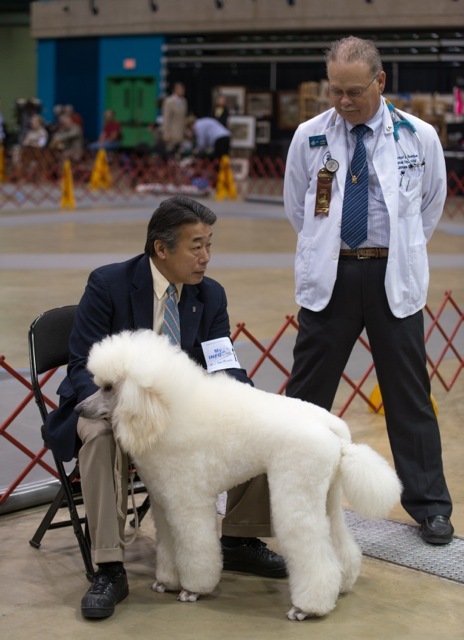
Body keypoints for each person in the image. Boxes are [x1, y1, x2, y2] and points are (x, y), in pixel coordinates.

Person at [44, 196, 285, 620]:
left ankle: (239, 539)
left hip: (180, 415)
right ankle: (109, 566)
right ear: (161, 248)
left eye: (209, 244)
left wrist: (249, 401)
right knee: (101, 438)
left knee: (257, 416)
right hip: (111, 406)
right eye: (196, 246)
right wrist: (124, 409)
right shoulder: (109, 284)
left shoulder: (210, 296)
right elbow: (81, 365)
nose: (206, 258)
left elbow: (222, 363)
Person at [283, 36, 454, 546]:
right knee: (306, 398)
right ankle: (293, 496)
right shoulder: (309, 137)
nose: (342, 101)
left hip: (390, 277)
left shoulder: (418, 136)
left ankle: (430, 507)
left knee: (409, 398)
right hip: (331, 278)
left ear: (380, 82)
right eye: (334, 90)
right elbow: (299, 208)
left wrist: (393, 251)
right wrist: (332, 248)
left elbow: (430, 204)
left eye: (353, 90)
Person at [161, 82, 188, 156]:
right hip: (171, 134)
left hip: (181, 134)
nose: (183, 91)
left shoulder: (184, 101)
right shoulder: (169, 102)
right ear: (175, 90)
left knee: (179, 156)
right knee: (170, 154)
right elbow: (166, 118)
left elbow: (183, 118)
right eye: (181, 89)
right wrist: (166, 133)